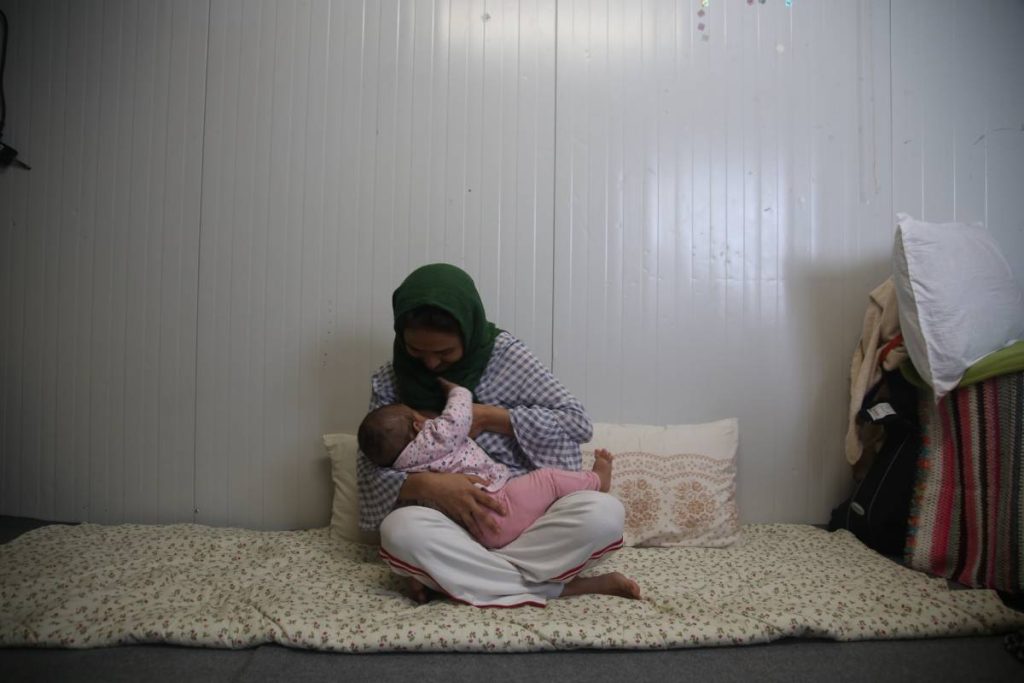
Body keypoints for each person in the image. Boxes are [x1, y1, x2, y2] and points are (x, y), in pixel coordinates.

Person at [357, 263, 639, 607]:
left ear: (469, 331)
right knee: (400, 531)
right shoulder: (390, 380)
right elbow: (369, 471)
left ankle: (451, 580)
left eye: (444, 353)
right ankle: (564, 587)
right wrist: (428, 486)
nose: (430, 364)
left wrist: (493, 417)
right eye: (417, 352)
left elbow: (577, 423)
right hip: (455, 526)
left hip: (530, 515)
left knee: (603, 514)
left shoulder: (505, 355)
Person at [358, 376, 616, 550]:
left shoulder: (398, 466)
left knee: (597, 517)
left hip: (473, 533)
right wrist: (457, 391)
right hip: (498, 503)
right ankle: (596, 480)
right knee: (547, 479)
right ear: (417, 424)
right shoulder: (431, 437)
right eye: (420, 416)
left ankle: (484, 573)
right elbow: (457, 417)